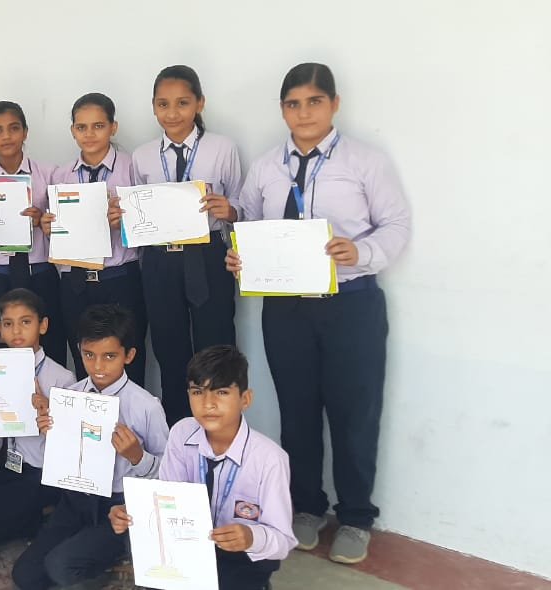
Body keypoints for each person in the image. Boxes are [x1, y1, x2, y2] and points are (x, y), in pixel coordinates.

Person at [226, 63, 410, 564]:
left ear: (334, 104)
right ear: (282, 109)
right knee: (298, 412)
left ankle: (355, 516)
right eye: (293, 104)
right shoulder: (267, 167)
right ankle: (306, 506)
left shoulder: (364, 161)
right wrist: (238, 256)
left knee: (354, 414)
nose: (303, 113)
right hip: (285, 310)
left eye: (314, 102)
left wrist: (361, 251)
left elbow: (396, 224)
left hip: (351, 304)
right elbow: (246, 224)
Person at [109, 345, 297, 590]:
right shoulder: (182, 433)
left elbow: (282, 540)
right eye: (197, 392)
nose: (208, 404)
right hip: (188, 546)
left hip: (242, 559)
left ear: (245, 399)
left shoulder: (269, 459)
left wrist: (252, 537)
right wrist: (133, 512)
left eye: (221, 392)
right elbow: (167, 499)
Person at [12, 304, 168, 589]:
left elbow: (167, 474)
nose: (98, 366)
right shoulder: (69, 396)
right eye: (89, 355)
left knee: (60, 567)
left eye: (109, 356)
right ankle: (87, 551)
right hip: (76, 499)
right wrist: (50, 433)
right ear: (80, 351)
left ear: (129, 355)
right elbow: (62, 458)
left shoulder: (146, 407)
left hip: (118, 506)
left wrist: (137, 456)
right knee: (25, 576)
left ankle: (118, 554)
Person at [131, 66, 242, 426]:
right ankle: (179, 437)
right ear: (153, 107)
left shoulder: (222, 148)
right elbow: (137, 216)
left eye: (182, 103)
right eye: (163, 104)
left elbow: (242, 205)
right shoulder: (143, 156)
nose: (172, 113)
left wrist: (230, 210)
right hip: (160, 261)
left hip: (208, 257)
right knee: (169, 352)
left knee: (216, 350)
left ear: (200, 103)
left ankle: (221, 435)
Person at [43, 92, 147, 384]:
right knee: (84, 362)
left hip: (120, 278)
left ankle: (129, 415)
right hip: (75, 282)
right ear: (73, 130)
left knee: (128, 362)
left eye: (98, 126)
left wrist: (127, 222)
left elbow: (150, 223)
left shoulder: (132, 168)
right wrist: (48, 226)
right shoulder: (60, 175)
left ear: (113, 127)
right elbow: (52, 228)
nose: (89, 134)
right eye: (82, 127)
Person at [0, 287, 76, 552]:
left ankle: (37, 516)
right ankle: (29, 520)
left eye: (25, 322)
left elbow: (70, 453)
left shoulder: (62, 379)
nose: (16, 331)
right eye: (8, 324)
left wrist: (51, 416)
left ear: (43, 325)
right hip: (8, 462)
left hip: (42, 473)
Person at [0, 100, 66, 365]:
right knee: (1, 348)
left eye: (13, 128)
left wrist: (43, 220)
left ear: (25, 132)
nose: (6, 136)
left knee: (51, 343)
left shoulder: (50, 175)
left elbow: (64, 227)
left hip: (39, 271)